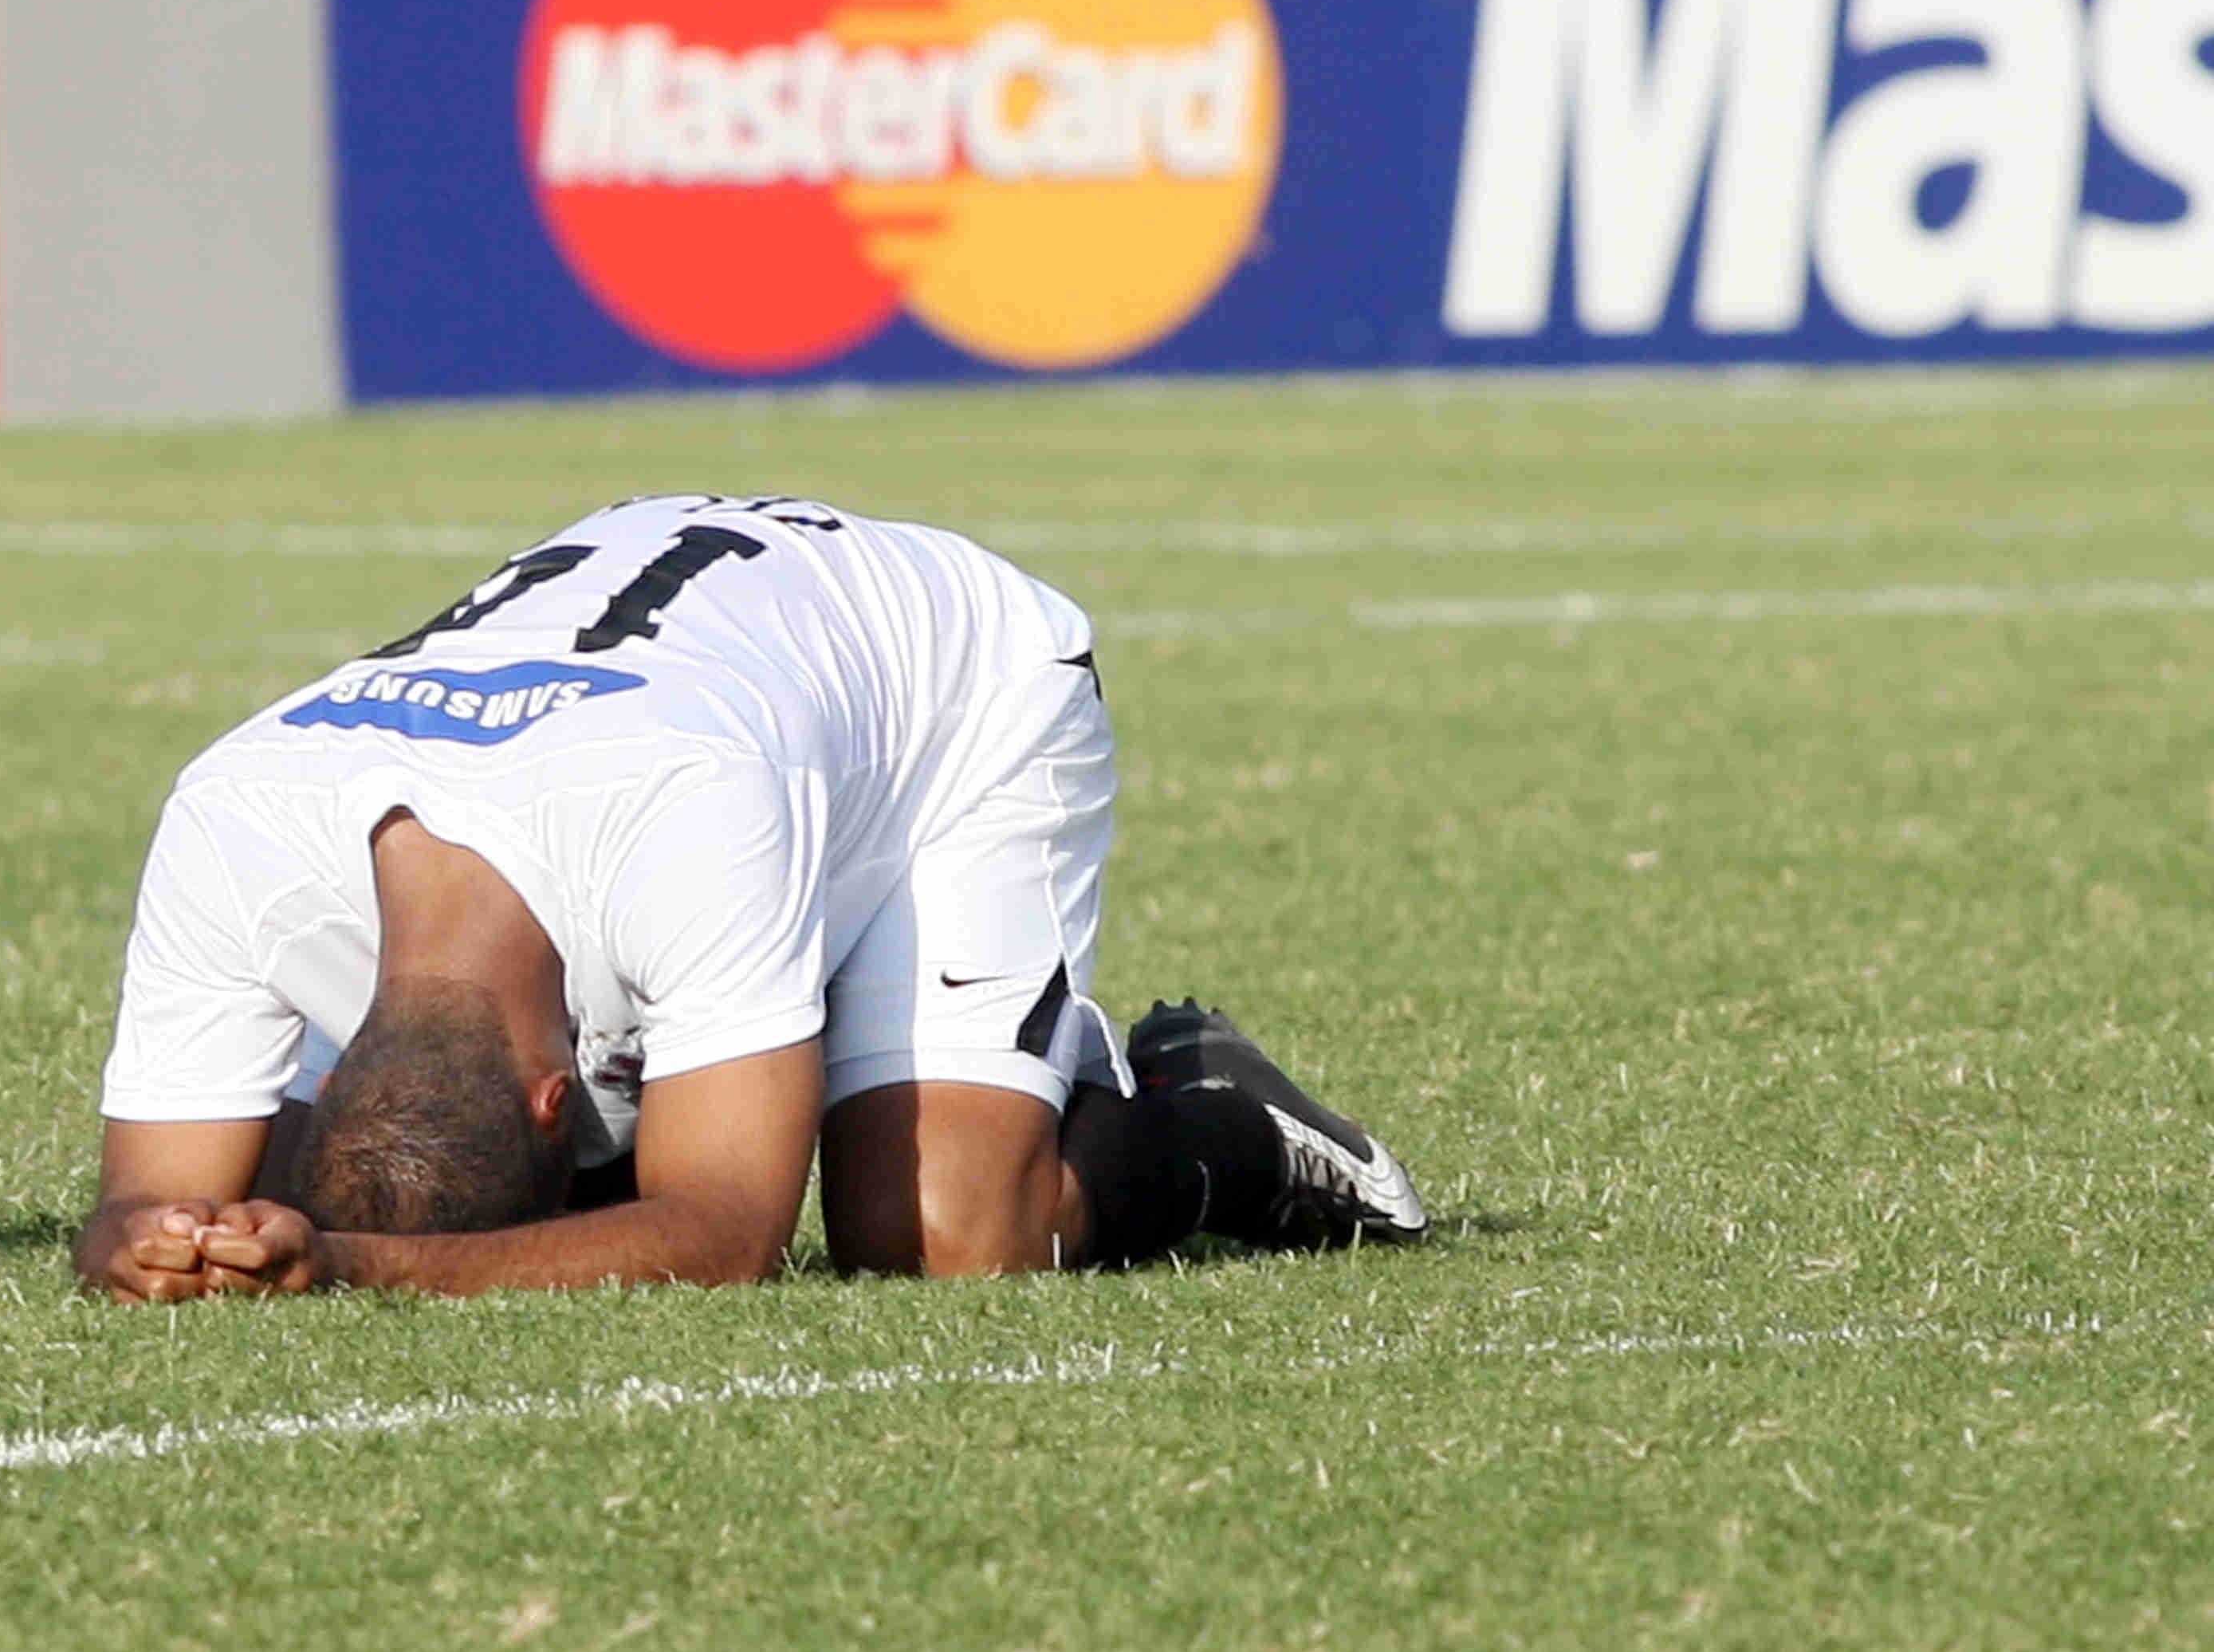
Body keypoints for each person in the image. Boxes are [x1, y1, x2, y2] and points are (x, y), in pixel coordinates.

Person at [75, 494, 1426, 1303]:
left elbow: (725, 1227)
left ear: (568, 1097)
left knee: (948, 1235)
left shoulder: (688, 810)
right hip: (699, 692)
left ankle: (1219, 1121)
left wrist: (360, 1268)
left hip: (950, 699)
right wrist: (161, 1246)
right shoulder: (231, 814)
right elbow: (140, 1199)